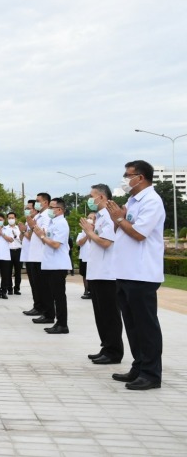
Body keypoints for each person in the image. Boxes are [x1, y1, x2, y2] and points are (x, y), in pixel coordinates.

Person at [107, 160, 165, 390]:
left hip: (142, 273)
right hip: (125, 271)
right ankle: (139, 366)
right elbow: (119, 228)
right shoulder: (132, 200)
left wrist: (119, 219)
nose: (125, 179)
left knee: (146, 326)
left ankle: (151, 374)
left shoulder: (151, 201)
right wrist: (118, 219)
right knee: (131, 325)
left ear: (140, 177)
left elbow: (139, 234)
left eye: (127, 175)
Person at [80, 184, 124, 366]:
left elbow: (106, 242)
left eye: (92, 196)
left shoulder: (107, 216)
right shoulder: (99, 216)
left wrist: (89, 232)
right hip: (97, 272)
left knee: (109, 315)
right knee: (100, 314)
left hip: (107, 274)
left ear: (103, 198)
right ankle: (106, 347)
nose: (90, 199)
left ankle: (114, 351)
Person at [34, 197, 70, 334]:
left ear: (59, 210)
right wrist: (42, 235)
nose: (49, 210)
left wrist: (42, 236)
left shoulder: (61, 223)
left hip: (58, 265)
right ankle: (57, 322)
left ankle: (62, 324)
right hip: (50, 264)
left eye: (51, 208)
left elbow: (55, 244)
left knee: (59, 296)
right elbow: (47, 242)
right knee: (53, 295)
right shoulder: (53, 222)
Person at [24, 194, 52, 319]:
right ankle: (39, 307)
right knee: (36, 285)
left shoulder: (47, 217)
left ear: (45, 202)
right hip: (34, 256)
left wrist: (32, 226)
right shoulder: (39, 216)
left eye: (38, 201)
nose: (36, 204)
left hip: (41, 256)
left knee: (43, 287)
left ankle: (45, 311)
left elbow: (44, 234)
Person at [76, 212, 96, 299]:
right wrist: (88, 234)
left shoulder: (97, 230)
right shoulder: (82, 233)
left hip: (93, 258)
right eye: (88, 217)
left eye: (91, 218)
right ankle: (86, 290)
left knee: (92, 274)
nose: (89, 219)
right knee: (84, 274)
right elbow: (79, 243)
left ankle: (93, 291)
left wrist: (91, 233)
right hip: (84, 257)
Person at [6, 212, 23, 294]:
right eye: (9, 218)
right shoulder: (5, 229)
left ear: (15, 219)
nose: (11, 219)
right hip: (8, 251)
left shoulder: (19, 228)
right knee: (8, 271)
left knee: (18, 271)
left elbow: (22, 240)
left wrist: (15, 236)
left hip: (18, 251)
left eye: (12, 218)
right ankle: (9, 289)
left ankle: (17, 288)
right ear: (7, 219)